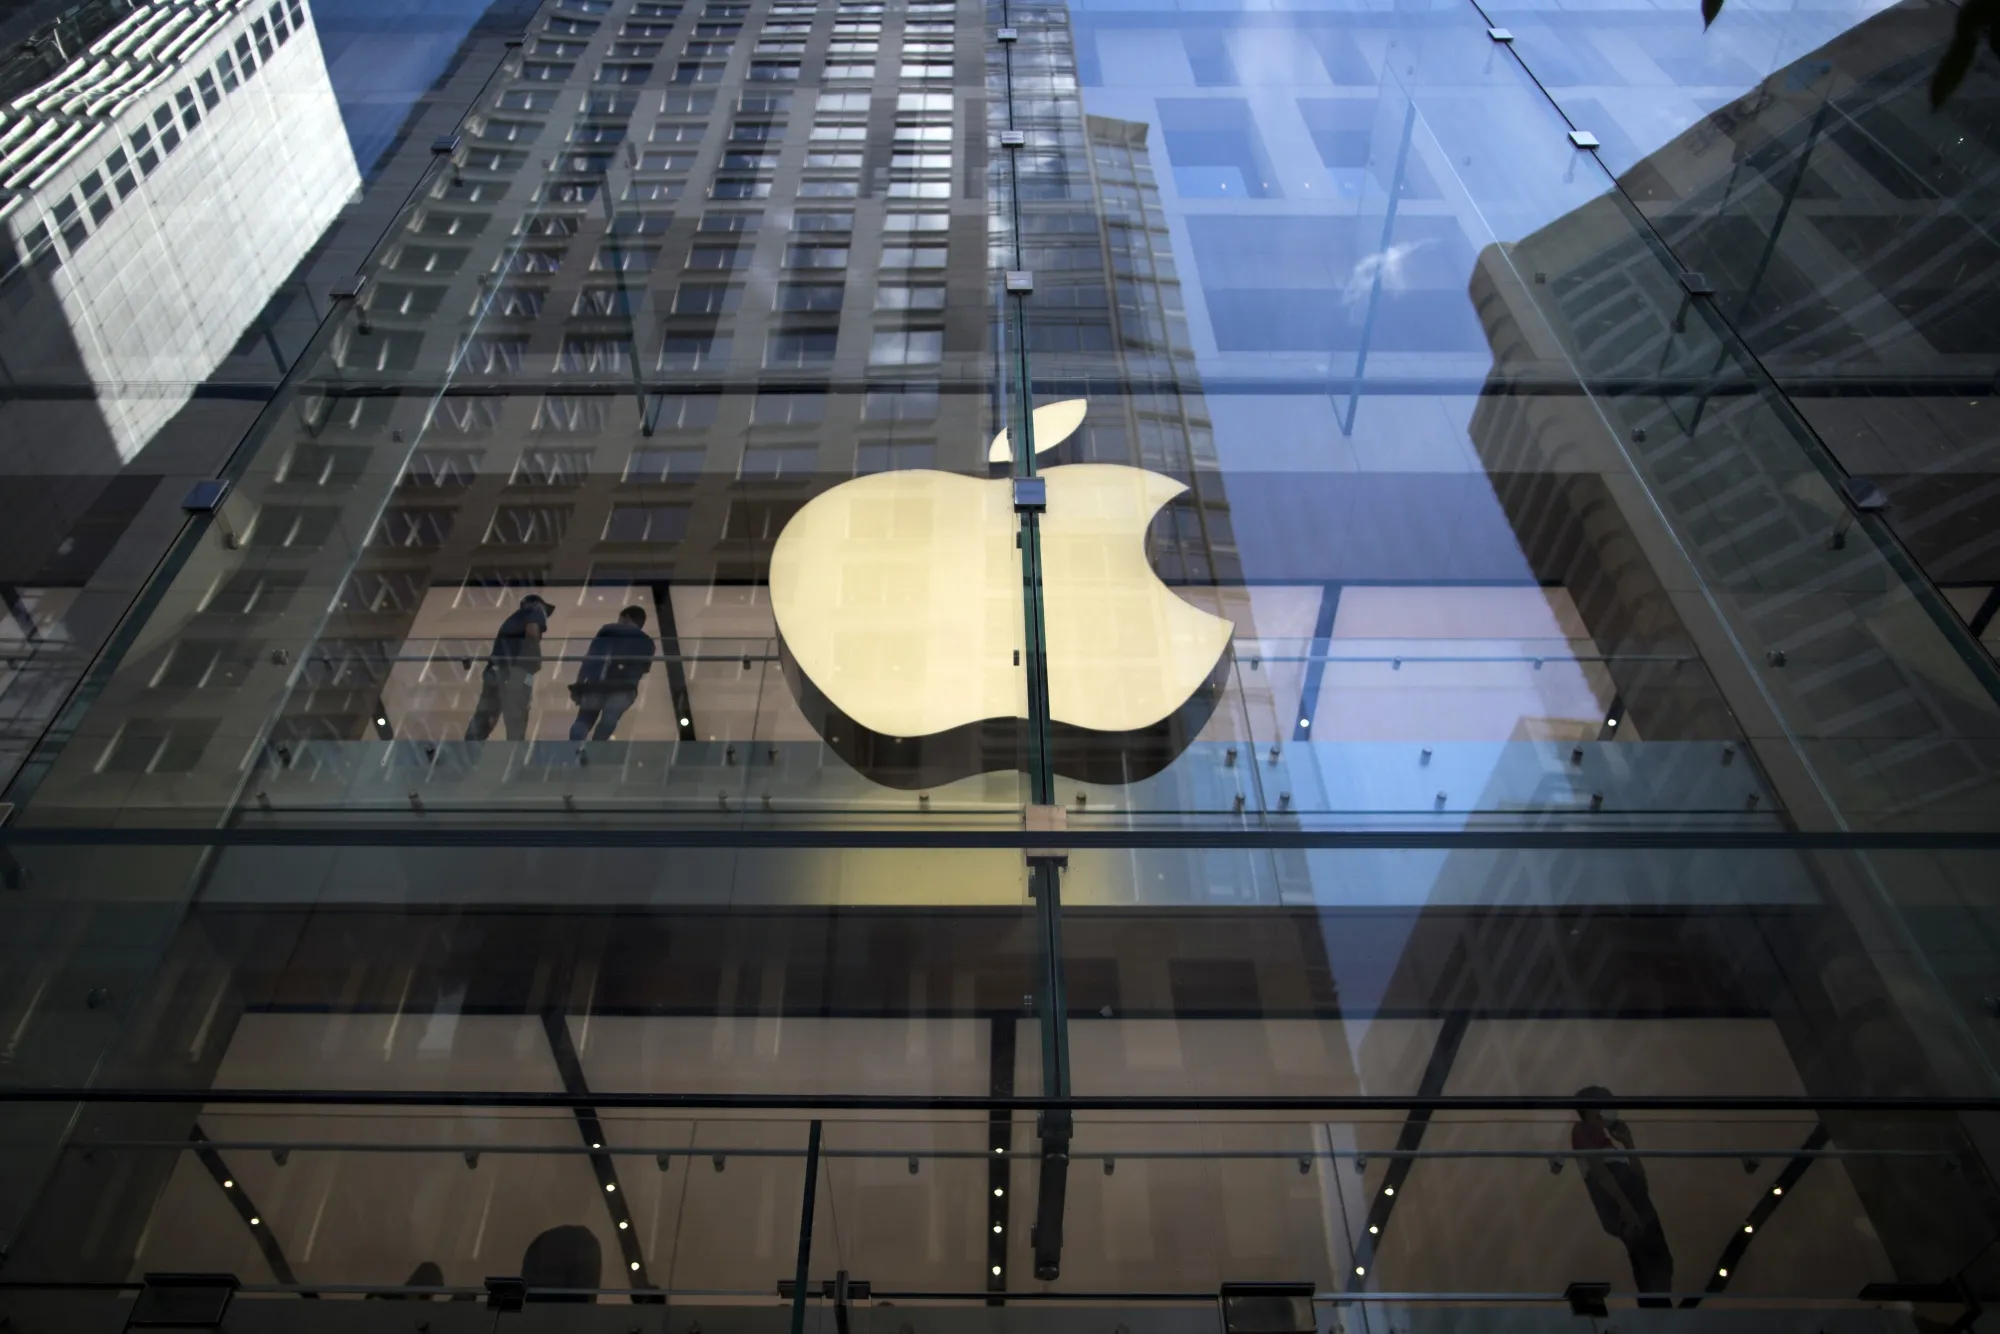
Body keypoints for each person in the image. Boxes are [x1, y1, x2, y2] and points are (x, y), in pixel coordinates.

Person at [1572, 1086, 1674, 1306]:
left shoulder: (1612, 1144)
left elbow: (1640, 1181)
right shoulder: (1581, 1131)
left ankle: (1661, 1308)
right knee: (1647, 1262)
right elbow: (1599, 1172)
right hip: (1627, 1208)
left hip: (1640, 1206)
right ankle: (1657, 1312)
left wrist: (1628, 1142)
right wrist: (1625, 1206)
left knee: (1661, 1260)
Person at [464, 593, 552, 741]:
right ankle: (514, 759)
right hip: (516, 672)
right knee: (516, 721)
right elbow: (532, 632)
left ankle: (466, 756)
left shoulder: (510, 621)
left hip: (494, 671)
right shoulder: (536, 610)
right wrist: (535, 658)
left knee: (484, 719)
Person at [568, 605, 655, 746]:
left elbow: (590, 659)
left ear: (626, 617)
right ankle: (595, 750)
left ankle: (572, 751)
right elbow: (643, 669)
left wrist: (580, 683)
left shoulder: (608, 630)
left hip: (596, 683)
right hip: (625, 687)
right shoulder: (647, 642)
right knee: (610, 718)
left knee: (584, 719)